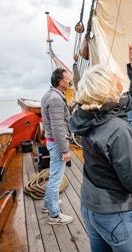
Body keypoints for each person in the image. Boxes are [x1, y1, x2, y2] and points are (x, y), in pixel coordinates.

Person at [69, 44, 132, 252]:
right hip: (116, 215)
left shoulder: (88, 114)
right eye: (111, 75)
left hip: (90, 207)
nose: (115, 74)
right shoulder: (116, 130)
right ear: (106, 90)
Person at [41, 68, 74, 225]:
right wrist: (65, 150)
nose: (69, 81)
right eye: (68, 79)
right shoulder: (55, 99)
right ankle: (54, 215)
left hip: (52, 142)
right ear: (61, 82)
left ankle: (48, 204)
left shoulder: (50, 94)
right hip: (57, 143)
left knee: (54, 176)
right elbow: (58, 128)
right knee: (56, 178)